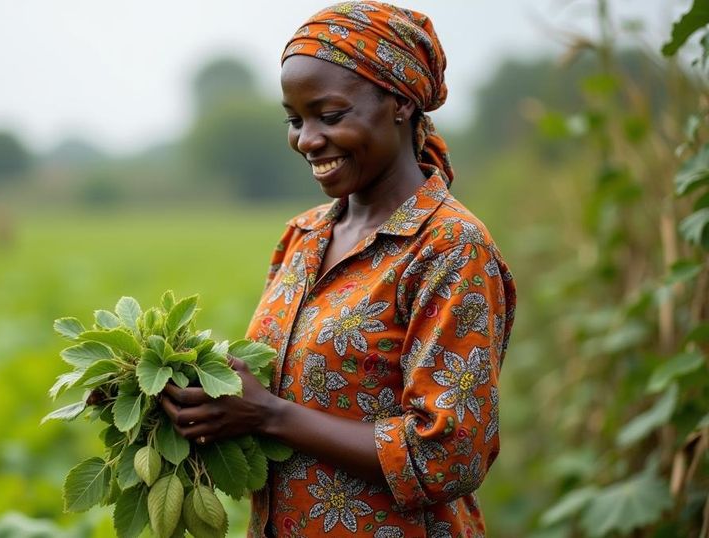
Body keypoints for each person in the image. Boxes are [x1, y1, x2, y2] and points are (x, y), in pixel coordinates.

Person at [160, 2, 517, 536]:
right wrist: (178, 394)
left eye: (329, 116)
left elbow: (451, 454)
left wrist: (269, 416)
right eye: (295, 119)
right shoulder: (302, 236)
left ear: (399, 103)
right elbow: (281, 389)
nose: (306, 139)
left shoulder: (447, 247)